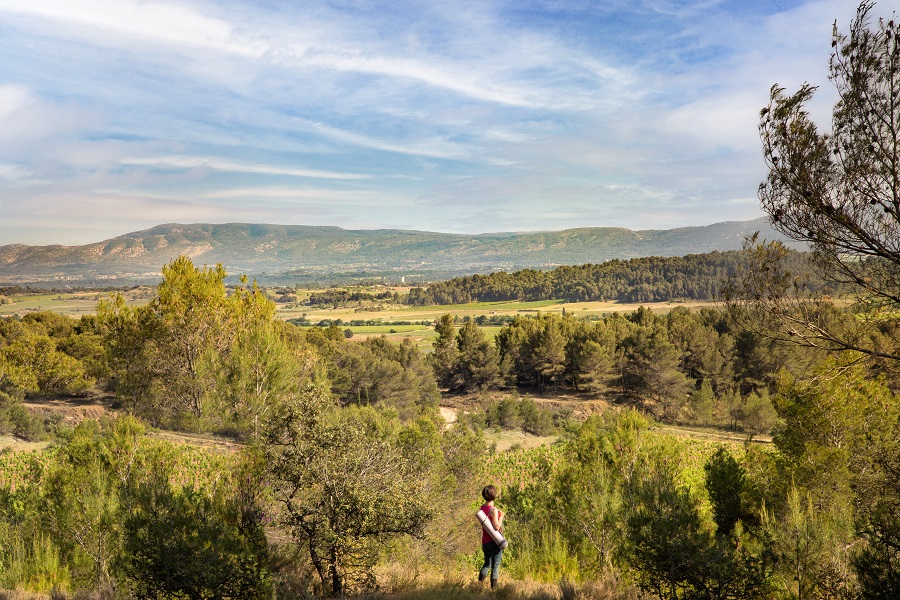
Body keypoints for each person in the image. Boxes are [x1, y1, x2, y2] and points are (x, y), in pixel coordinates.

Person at [478, 484, 504, 589]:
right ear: (494, 495)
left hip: (485, 541)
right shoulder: (493, 510)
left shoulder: (482, 508)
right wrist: (501, 517)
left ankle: (479, 585)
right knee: (495, 566)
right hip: (494, 541)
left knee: (486, 564)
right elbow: (497, 527)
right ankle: (493, 590)